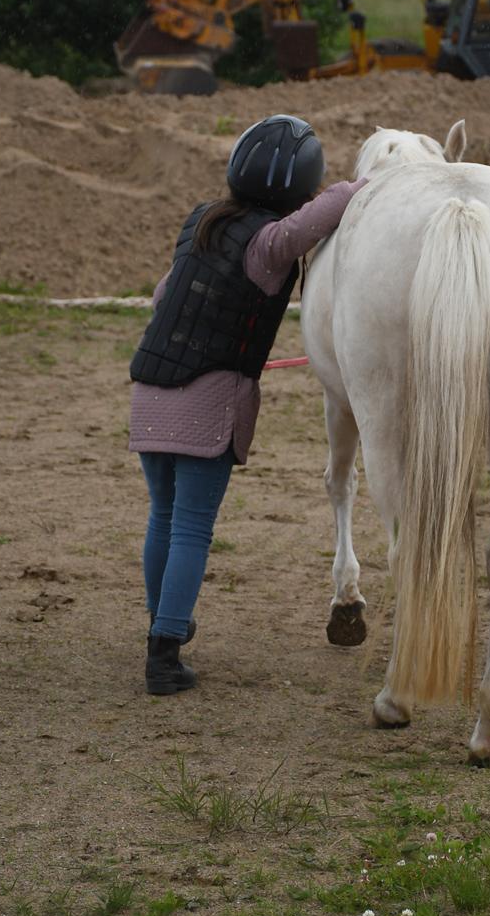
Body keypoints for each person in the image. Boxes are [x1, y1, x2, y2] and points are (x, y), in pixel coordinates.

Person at [129, 114, 366, 695]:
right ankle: (164, 656)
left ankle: (163, 629)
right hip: (209, 397)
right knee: (191, 527)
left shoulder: (200, 222)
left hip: (149, 388)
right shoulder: (271, 243)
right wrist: (384, 176)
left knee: (164, 515)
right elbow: (333, 205)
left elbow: (164, 295)